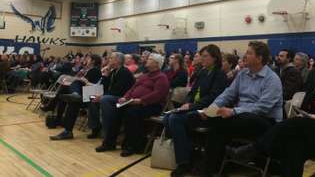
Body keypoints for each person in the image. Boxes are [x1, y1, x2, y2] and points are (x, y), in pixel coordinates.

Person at [232, 50, 315, 177]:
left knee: (299, 124)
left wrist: (312, 118)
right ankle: (257, 153)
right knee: (294, 145)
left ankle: (255, 149)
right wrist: (307, 116)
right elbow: (304, 110)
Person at [202, 41, 283, 176]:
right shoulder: (242, 74)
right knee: (215, 122)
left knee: (222, 122)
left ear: (260, 58)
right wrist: (212, 108)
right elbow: (228, 94)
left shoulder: (272, 79)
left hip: (266, 121)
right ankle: (212, 170)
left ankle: (214, 168)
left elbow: (262, 108)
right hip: (242, 118)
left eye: (249, 53)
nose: (244, 56)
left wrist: (233, 111)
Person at [164, 44, 228, 177]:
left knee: (175, 119)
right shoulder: (202, 72)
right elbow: (192, 92)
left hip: (207, 112)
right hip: (194, 107)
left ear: (215, 58)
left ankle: (184, 163)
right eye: (201, 56)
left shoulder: (219, 74)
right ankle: (190, 153)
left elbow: (213, 97)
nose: (202, 59)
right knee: (168, 117)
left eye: (205, 56)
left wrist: (191, 106)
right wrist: (187, 103)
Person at [95, 53, 169, 157]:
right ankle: (109, 143)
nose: (147, 60)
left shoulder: (161, 77)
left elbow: (158, 94)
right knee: (115, 111)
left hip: (151, 106)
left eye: (150, 59)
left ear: (157, 64)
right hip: (134, 103)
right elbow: (132, 88)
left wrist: (141, 100)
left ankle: (131, 146)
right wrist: (125, 97)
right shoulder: (145, 76)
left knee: (131, 112)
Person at [49, 54, 102, 140]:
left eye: (88, 59)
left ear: (93, 61)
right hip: (85, 93)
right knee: (70, 98)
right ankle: (66, 128)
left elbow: (91, 86)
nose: (86, 60)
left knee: (74, 85)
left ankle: (61, 121)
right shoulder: (88, 70)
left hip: (92, 93)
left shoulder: (95, 70)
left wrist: (81, 80)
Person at [87, 52, 135, 139]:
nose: (109, 60)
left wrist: (101, 96)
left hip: (122, 98)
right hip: (111, 96)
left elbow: (117, 91)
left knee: (104, 99)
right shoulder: (113, 72)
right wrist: (105, 75)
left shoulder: (124, 72)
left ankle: (107, 133)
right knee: (91, 97)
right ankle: (95, 128)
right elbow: (104, 87)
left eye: (111, 58)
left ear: (117, 61)